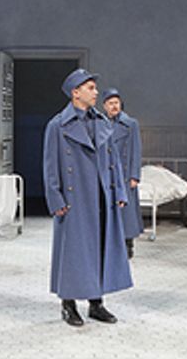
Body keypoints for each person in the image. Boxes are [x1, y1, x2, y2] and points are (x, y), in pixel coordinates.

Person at [43, 69, 132, 327]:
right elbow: (49, 166)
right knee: (73, 251)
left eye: (94, 88)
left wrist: (119, 191)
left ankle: (96, 303)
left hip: (102, 195)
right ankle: (68, 304)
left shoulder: (102, 122)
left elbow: (113, 160)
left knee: (100, 247)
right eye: (90, 88)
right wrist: (55, 198)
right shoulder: (57, 125)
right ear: (75, 92)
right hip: (75, 197)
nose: (95, 92)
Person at [100, 88, 143, 257]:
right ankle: (109, 246)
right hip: (107, 173)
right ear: (104, 106)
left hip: (124, 175)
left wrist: (135, 175)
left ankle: (128, 245)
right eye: (110, 103)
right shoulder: (101, 123)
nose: (114, 106)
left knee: (127, 213)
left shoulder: (130, 124)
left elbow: (136, 150)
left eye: (116, 103)